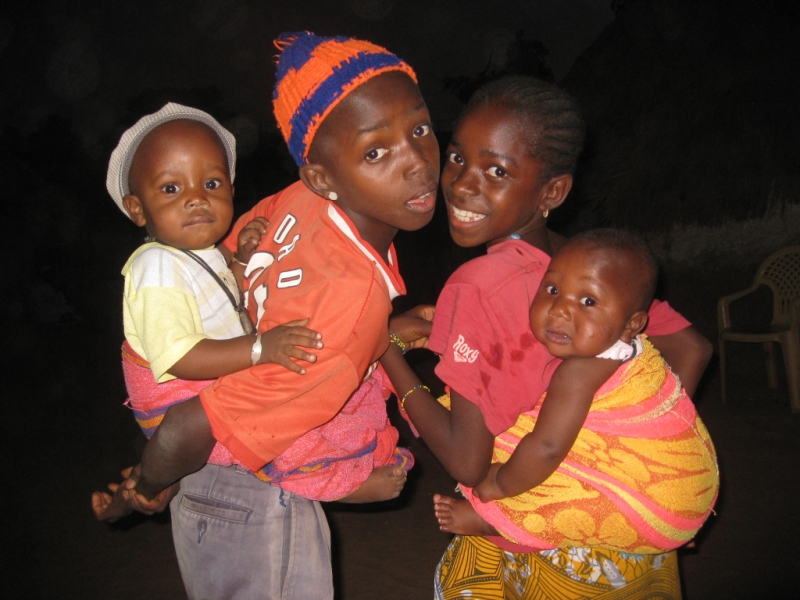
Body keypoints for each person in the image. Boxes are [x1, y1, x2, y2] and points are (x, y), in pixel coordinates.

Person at [93, 32, 439, 599]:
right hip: (240, 493)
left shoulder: (293, 204)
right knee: (336, 409)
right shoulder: (345, 308)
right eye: (376, 151)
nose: (417, 163)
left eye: (420, 129)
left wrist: (383, 334)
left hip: (204, 462)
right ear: (321, 175)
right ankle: (341, 476)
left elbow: (231, 280)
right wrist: (145, 488)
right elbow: (188, 424)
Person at [379, 76, 713, 599]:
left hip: (550, 553)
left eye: (496, 170)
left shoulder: (478, 285)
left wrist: (385, 351)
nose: (462, 184)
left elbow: (467, 461)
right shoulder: (591, 268)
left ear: (553, 191)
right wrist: (643, 472)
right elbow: (692, 347)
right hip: (627, 536)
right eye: (457, 158)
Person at [430, 229, 719, 556]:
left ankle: (492, 522)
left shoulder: (578, 373)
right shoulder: (632, 349)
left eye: (588, 301)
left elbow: (548, 447)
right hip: (692, 489)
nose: (559, 310)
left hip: (654, 506)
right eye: (553, 290)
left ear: (632, 324)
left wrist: (499, 483)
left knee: (532, 473)